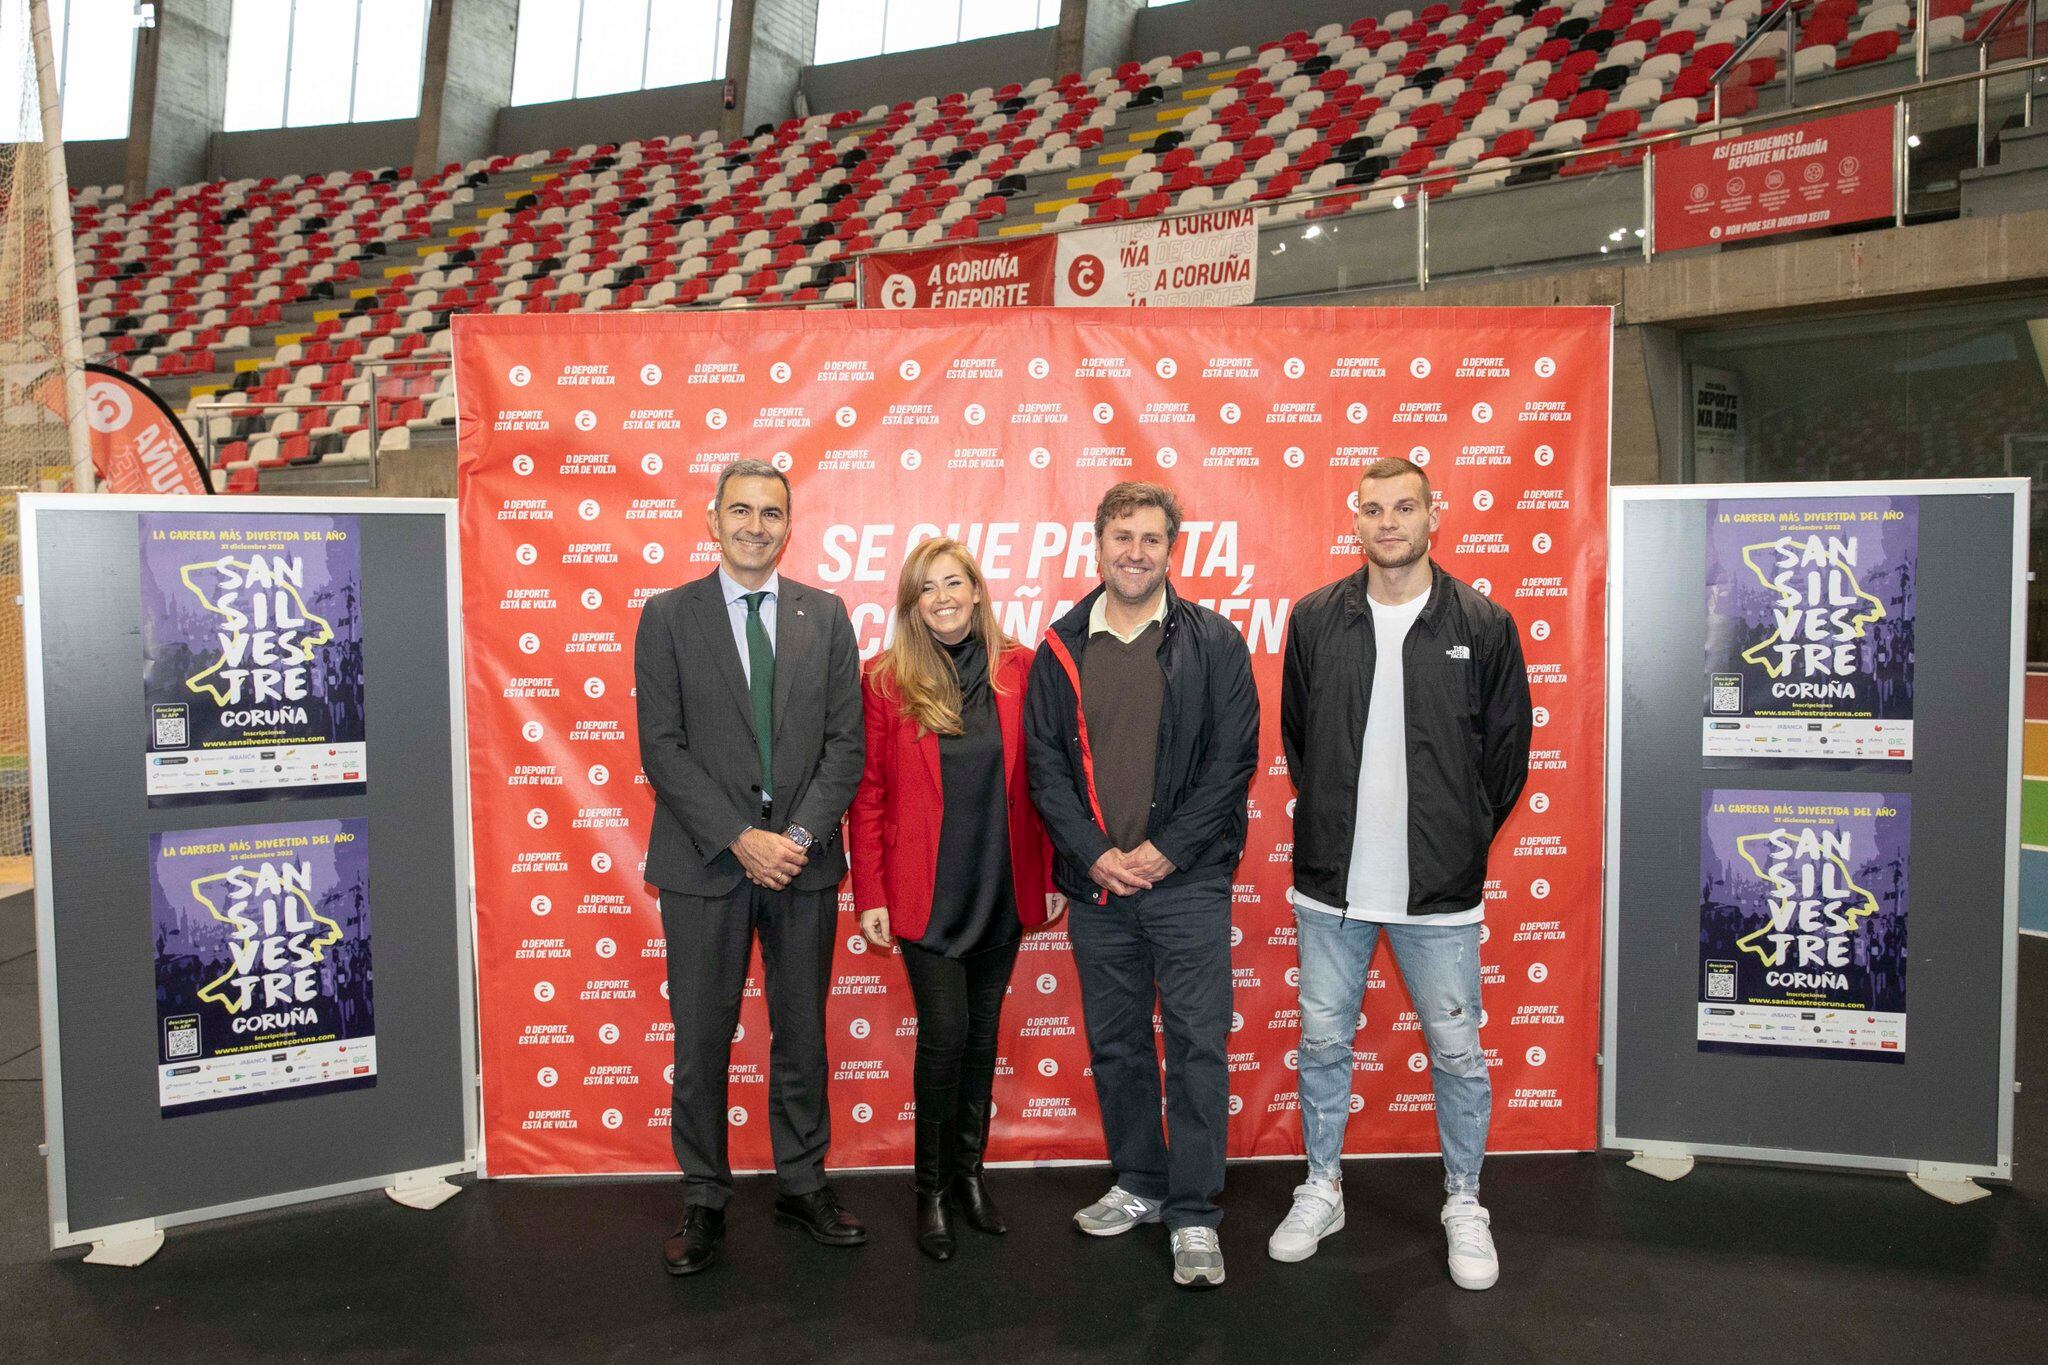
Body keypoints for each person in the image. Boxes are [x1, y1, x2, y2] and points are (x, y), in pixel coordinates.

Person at [1269, 457, 1531, 1291]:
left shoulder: (1484, 623)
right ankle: (1323, 1184)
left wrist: (1457, 833)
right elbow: (1301, 742)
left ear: (1434, 515)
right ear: (1356, 520)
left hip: (1441, 896)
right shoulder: (1315, 619)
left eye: (1405, 506)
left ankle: (1463, 1199)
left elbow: (1507, 758)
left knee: (1457, 1052)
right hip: (1331, 886)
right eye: (1374, 508)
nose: (1390, 521)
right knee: (1321, 1043)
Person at [1023, 481, 1258, 1290]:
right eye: (1121, 535)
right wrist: (1093, 854)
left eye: (1151, 538)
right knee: (1119, 1045)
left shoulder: (1216, 642)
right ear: (1097, 544)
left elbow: (1232, 763)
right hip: (1098, 891)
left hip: (1186, 885)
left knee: (1196, 1050)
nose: (1135, 551)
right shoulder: (1060, 645)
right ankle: (1140, 1182)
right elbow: (1045, 768)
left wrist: (1162, 851)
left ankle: (1193, 1212)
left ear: (1172, 548)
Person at [634, 457, 866, 1277]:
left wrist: (795, 836)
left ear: (788, 524)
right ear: (713, 518)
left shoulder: (827, 615)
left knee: (802, 1035)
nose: (755, 525)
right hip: (705, 865)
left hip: (802, 864)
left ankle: (803, 1183)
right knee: (702, 1039)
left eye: (771, 512)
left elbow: (847, 744)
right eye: (741, 509)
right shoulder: (667, 616)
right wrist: (740, 835)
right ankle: (703, 1195)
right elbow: (662, 749)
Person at [847, 537, 1061, 1262]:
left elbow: (1048, 778)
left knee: (979, 1039)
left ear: (976, 590)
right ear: (911, 604)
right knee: (943, 1038)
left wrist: (1056, 870)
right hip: (925, 894)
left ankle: (970, 1179)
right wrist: (869, 889)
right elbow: (868, 795)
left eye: (953, 583)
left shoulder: (1020, 669)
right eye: (925, 588)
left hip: (1001, 886)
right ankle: (930, 1193)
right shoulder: (884, 680)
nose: (942, 598)